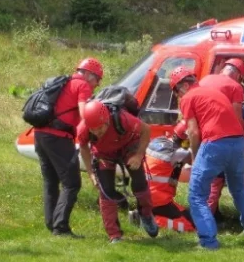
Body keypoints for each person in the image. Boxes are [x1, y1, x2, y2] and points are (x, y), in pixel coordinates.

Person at [170, 66, 244, 250]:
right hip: (237, 142)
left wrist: (195, 157)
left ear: (183, 86)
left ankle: (208, 242)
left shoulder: (188, 98)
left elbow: (193, 132)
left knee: (196, 196)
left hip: (215, 144)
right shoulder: (213, 93)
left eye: (176, 91)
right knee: (238, 189)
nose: (178, 95)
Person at [33, 57, 103, 238]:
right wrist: (95, 133)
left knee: (50, 181)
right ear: (88, 74)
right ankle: (61, 227)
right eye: (97, 79)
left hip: (40, 135)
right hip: (58, 138)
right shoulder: (83, 86)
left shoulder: (63, 82)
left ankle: (51, 223)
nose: (97, 85)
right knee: (72, 183)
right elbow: (85, 114)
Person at [77, 100, 159, 243]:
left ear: (107, 120)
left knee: (139, 183)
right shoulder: (83, 128)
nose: (96, 132)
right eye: (92, 130)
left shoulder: (123, 119)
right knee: (106, 192)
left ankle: (146, 214)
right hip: (104, 154)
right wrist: (91, 174)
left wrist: (139, 155)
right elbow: (84, 148)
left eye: (100, 128)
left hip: (128, 146)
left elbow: (146, 130)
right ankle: (114, 235)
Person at [198, 58, 244, 220]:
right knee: (217, 178)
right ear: (239, 75)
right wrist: (243, 140)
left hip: (201, 132)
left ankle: (208, 213)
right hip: (221, 136)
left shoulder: (205, 79)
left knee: (205, 176)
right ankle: (206, 218)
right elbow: (237, 117)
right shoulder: (235, 87)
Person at [130, 120, 195, 232]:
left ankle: (145, 213)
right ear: (187, 140)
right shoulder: (180, 153)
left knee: (189, 215)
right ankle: (146, 219)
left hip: (144, 194)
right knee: (190, 226)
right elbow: (196, 163)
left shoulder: (158, 140)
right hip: (158, 200)